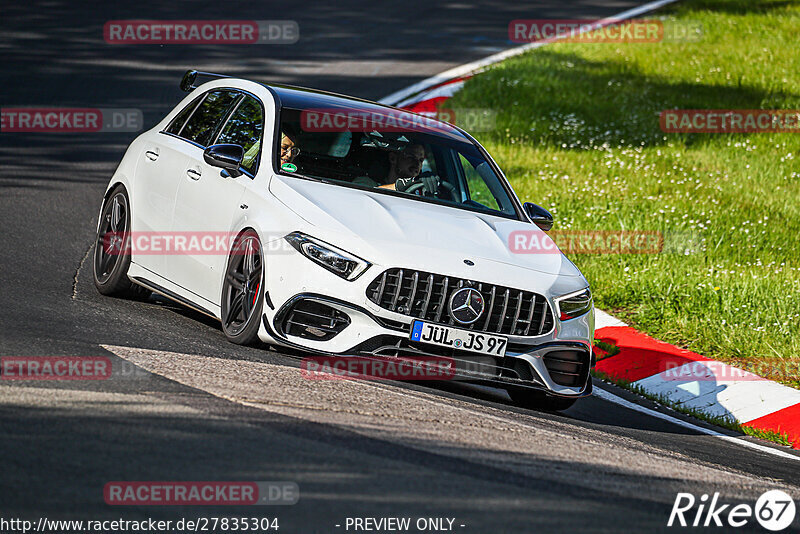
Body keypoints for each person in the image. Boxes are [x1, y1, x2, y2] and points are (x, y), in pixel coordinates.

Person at [353, 143, 440, 195]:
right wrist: (399, 186)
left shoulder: (422, 193)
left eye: (420, 160)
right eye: (411, 157)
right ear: (393, 158)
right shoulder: (365, 182)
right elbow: (356, 196)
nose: (417, 164)